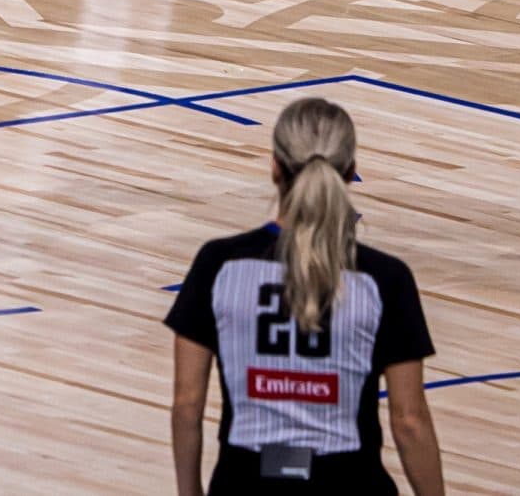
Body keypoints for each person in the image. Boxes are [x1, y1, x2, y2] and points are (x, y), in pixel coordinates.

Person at [168, 98, 447, 496]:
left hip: (244, 483)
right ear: (351, 171)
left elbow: (187, 404)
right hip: (350, 483)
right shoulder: (385, 279)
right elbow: (409, 421)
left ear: (274, 167)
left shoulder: (218, 265)